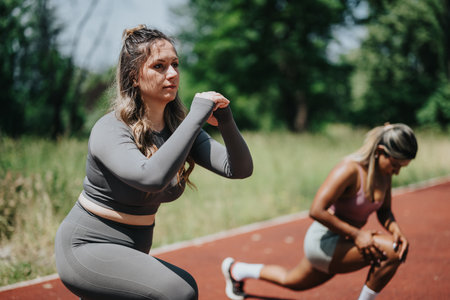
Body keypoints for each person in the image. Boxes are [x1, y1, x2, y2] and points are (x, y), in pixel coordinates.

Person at [54, 25, 253, 300]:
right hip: (87, 247)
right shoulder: (110, 129)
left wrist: (227, 121)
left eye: (175, 65)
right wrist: (195, 117)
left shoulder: (179, 130)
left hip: (131, 252)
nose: (172, 74)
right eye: (159, 66)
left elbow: (239, 169)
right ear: (134, 77)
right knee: (180, 290)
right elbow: (151, 177)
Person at [222, 123, 418, 300]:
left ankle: (236, 270)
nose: (397, 171)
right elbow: (316, 210)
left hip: (345, 242)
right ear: (380, 151)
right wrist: (357, 234)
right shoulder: (349, 170)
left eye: (401, 167)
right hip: (324, 242)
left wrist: (396, 230)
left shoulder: (384, 174)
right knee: (392, 252)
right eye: (395, 165)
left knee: (292, 281)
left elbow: (384, 211)